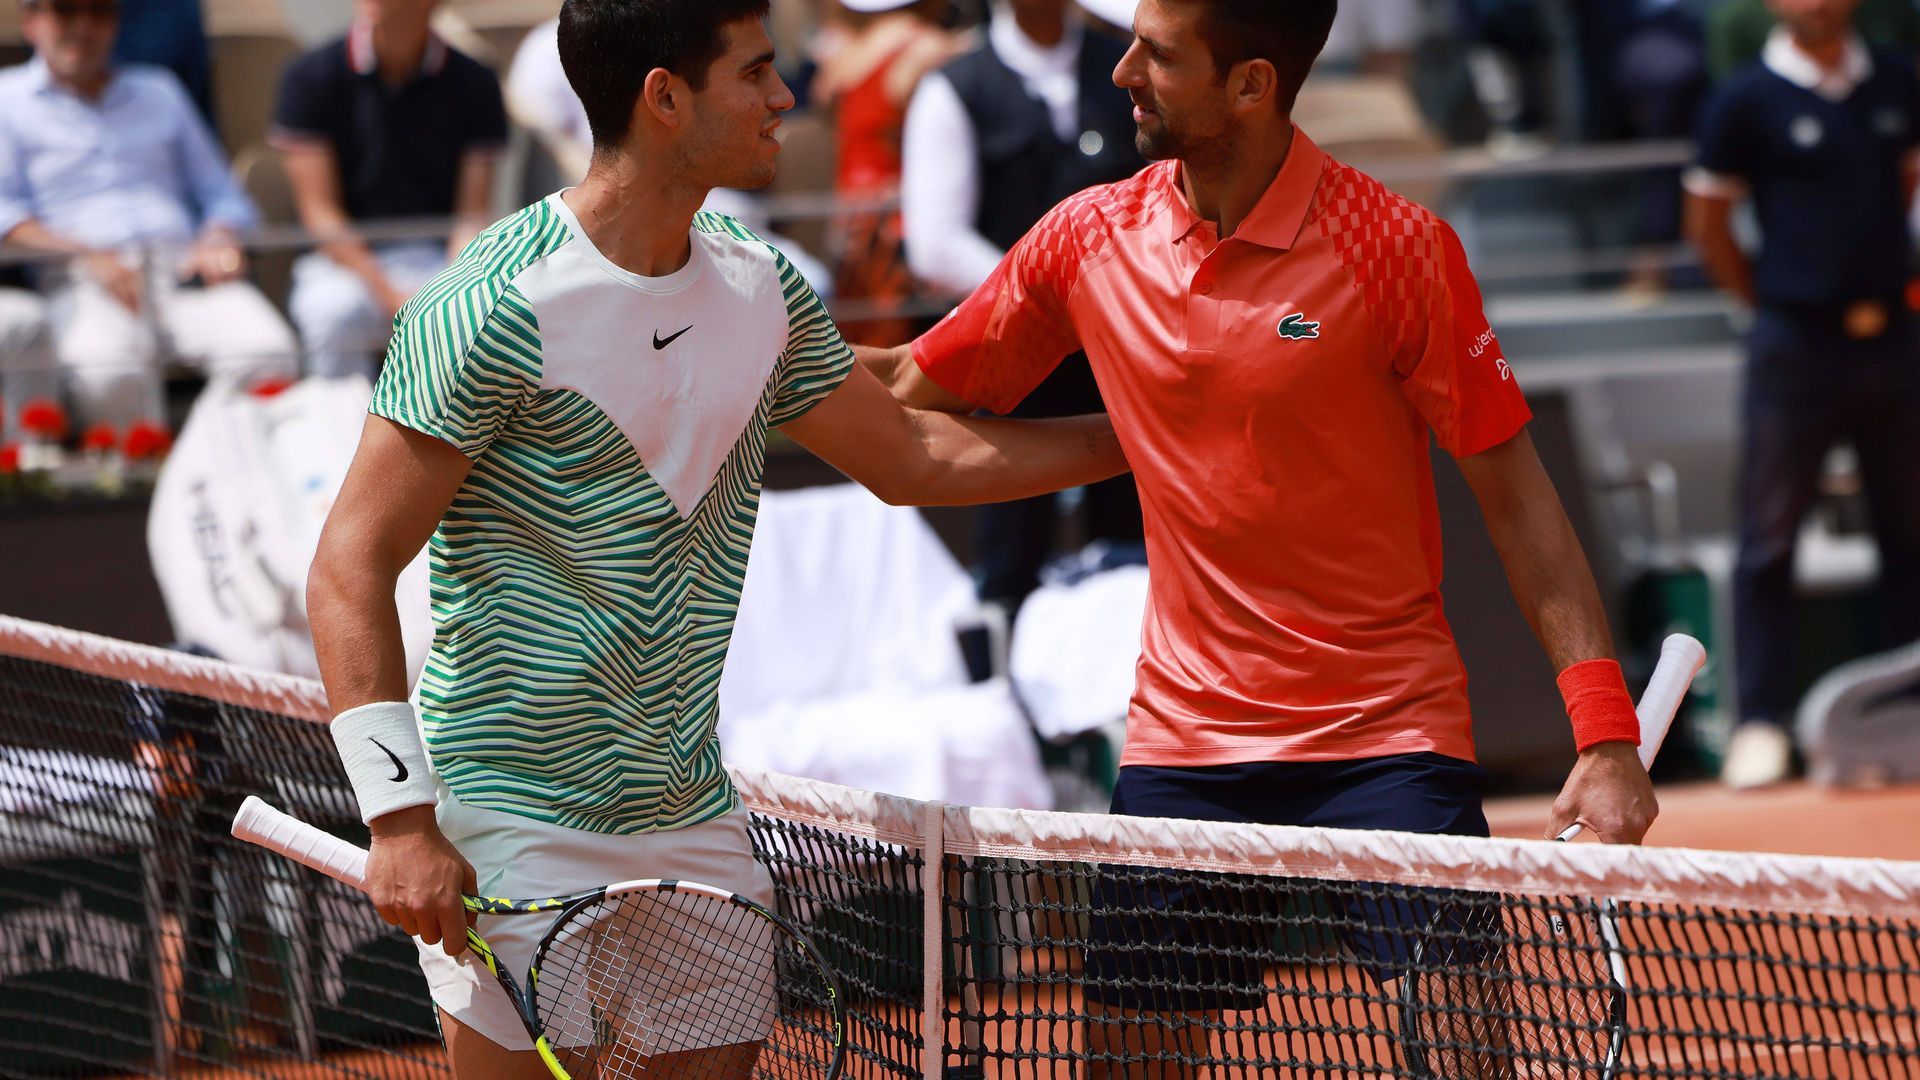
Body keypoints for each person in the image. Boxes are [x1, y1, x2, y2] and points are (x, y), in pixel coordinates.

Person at [303, 1, 1128, 1075]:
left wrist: (1153, 439)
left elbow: (915, 459)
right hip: (507, 816)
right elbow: (348, 565)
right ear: (665, 97)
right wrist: (401, 819)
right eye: (758, 72)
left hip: (689, 812)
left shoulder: (762, 286)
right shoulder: (486, 308)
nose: (788, 97)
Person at [860, 0, 1658, 1073]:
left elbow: (1515, 498)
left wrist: (1603, 734)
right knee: (1127, 1061)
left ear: (1252, 86)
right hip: (1186, 747)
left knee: (1466, 1055)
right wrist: (742, 347)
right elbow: (910, 389)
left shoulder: (1397, 247)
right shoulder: (1087, 236)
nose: (1123, 71)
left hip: (1389, 739)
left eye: (1159, 54)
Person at [1684, 0, 1920, 789]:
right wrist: (1772, 303)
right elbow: (1709, 223)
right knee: (1769, 538)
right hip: (1793, 347)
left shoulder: (1896, 81)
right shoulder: (1744, 99)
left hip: (1893, 337)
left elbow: (1908, 179)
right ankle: (1760, 722)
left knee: (1909, 532)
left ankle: (1905, 712)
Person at [903, 0, 1147, 611]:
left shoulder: (1125, 67)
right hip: (1014, 363)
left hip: (1123, 353)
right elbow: (935, 242)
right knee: (1012, 551)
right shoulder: (955, 87)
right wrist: (1043, 303)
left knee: (1137, 545)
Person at [0, 0, 297, 431]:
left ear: (116, 24)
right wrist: (87, 256)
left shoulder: (160, 90)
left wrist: (219, 234)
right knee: (108, 379)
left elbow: (223, 195)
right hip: (82, 284)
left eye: (98, 12)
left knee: (269, 352)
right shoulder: (7, 98)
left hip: (182, 274)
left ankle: (207, 463)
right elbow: (5, 217)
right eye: (65, 10)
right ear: (32, 22)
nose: (83, 25)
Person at [270, 0, 507, 381]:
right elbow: (321, 217)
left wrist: (452, 292)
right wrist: (392, 297)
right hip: (339, 266)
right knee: (333, 314)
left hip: (435, 261)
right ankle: (338, 438)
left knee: (483, 321)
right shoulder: (308, 76)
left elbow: (471, 217)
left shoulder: (476, 82)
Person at [813, 0, 968, 343]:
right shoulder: (924, 46)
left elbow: (824, 98)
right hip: (892, 226)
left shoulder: (846, 49)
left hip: (848, 218)